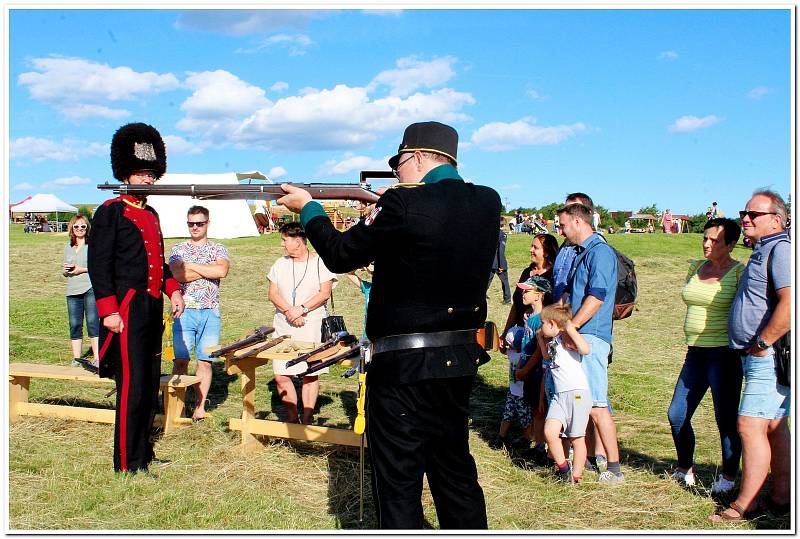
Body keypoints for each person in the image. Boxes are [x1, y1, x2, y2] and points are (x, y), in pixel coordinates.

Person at [278, 121, 499, 529]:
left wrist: (309, 209)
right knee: (454, 471)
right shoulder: (487, 201)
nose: (396, 171)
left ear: (415, 157)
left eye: (398, 162)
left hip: (402, 366)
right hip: (458, 359)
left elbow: (341, 254)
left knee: (398, 480)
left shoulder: (401, 204)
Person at [88, 122, 185, 473]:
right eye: (142, 174)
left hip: (151, 307)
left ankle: (144, 453)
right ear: (126, 174)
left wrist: (173, 291)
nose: (148, 181)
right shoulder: (110, 211)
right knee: (130, 384)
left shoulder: (151, 213)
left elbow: (158, 263)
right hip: (125, 308)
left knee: (148, 382)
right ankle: (127, 463)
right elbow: (99, 266)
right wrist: (109, 311)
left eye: (151, 174)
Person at [711, 189, 791, 522]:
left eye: (754, 214)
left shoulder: (782, 250)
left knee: (749, 425)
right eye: (745, 212)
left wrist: (762, 343)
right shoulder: (764, 249)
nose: (745, 218)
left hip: (766, 356)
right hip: (757, 355)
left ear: (776, 219)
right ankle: (782, 495)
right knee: (773, 426)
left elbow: (790, 304)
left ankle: (747, 502)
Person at [667, 218, 744, 490]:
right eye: (705, 238)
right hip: (695, 353)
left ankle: (728, 477)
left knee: (725, 418)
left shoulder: (738, 273)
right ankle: (684, 467)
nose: (706, 244)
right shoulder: (696, 267)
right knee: (676, 414)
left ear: (731, 244)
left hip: (724, 355)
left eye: (715, 240)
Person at [556, 202, 623, 483]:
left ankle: (614, 468)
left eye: (562, 224)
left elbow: (597, 296)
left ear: (578, 222)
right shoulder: (583, 254)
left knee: (597, 404)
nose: (560, 230)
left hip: (592, 336)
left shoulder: (601, 253)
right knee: (584, 400)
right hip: (581, 334)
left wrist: (573, 326)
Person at [267, 222, 336, 425]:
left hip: (312, 324)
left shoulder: (320, 262)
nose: (282, 244)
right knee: (281, 373)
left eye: (284, 240)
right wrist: (290, 311)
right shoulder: (280, 264)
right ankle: (292, 416)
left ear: (298, 241)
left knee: (310, 373)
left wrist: (302, 309)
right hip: (284, 325)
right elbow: (272, 293)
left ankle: (306, 418)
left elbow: (325, 293)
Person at [169, 206, 230, 421]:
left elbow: (221, 271)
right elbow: (177, 274)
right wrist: (206, 268)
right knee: (181, 360)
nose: (194, 227)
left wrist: (191, 266)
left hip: (210, 311)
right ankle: (177, 406)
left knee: (205, 361)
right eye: (191, 223)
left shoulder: (219, 248)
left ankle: (199, 407)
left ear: (207, 223)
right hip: (184, 312)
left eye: (199, 223)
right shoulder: (177, 248)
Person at [536, 303, 592, 483]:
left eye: (543, 323)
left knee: (576, 438)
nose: (541, 327)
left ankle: (575, 477)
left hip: (576, 394)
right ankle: (563, 469)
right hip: (559, 396)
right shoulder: (553, 342)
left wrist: (571, 328)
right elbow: (547, 358)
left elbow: (585, 349)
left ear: (552, 324)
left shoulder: (567, 339)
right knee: (550, 432)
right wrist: (540, 341)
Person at [62, 214, 100, 371]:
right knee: (75, 324)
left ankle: (98, 358)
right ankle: (76, 358)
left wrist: (81, 269)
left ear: (87, 228)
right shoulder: (68, 247)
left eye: (83, 226)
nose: (79, 229)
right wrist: (65, 271)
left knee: (92, 322)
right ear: (72, 228)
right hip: (72, 290)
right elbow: (64, 272)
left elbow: (99, 267)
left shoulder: (93, 246)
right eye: (76, 226)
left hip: (90, 288)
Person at [488, 217, 511, 304]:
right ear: (504, 225)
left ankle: (482, 295)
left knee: (488, 280)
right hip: (498, 263)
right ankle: (507, 299)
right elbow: (501, 250)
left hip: (491, 262)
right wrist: (501, 265)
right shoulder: (503, 235)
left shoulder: (490, 234)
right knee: (505, 281)